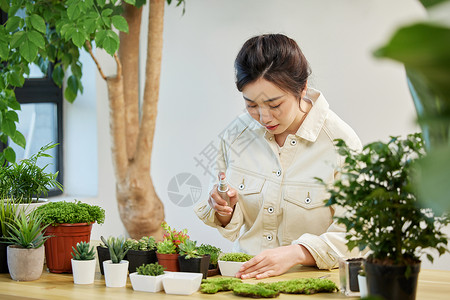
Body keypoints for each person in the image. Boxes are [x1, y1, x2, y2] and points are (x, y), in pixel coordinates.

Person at [194, 34, 364, 279]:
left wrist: (297, 253)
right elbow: (230, 226)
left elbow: (355, 234)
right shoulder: (236, 135)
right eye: (251, 105)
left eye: (274, 105)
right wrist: (224, 209)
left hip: (311, 285)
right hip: (244, 281)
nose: (264, 118)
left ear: (302, 89)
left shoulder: (341, 144)